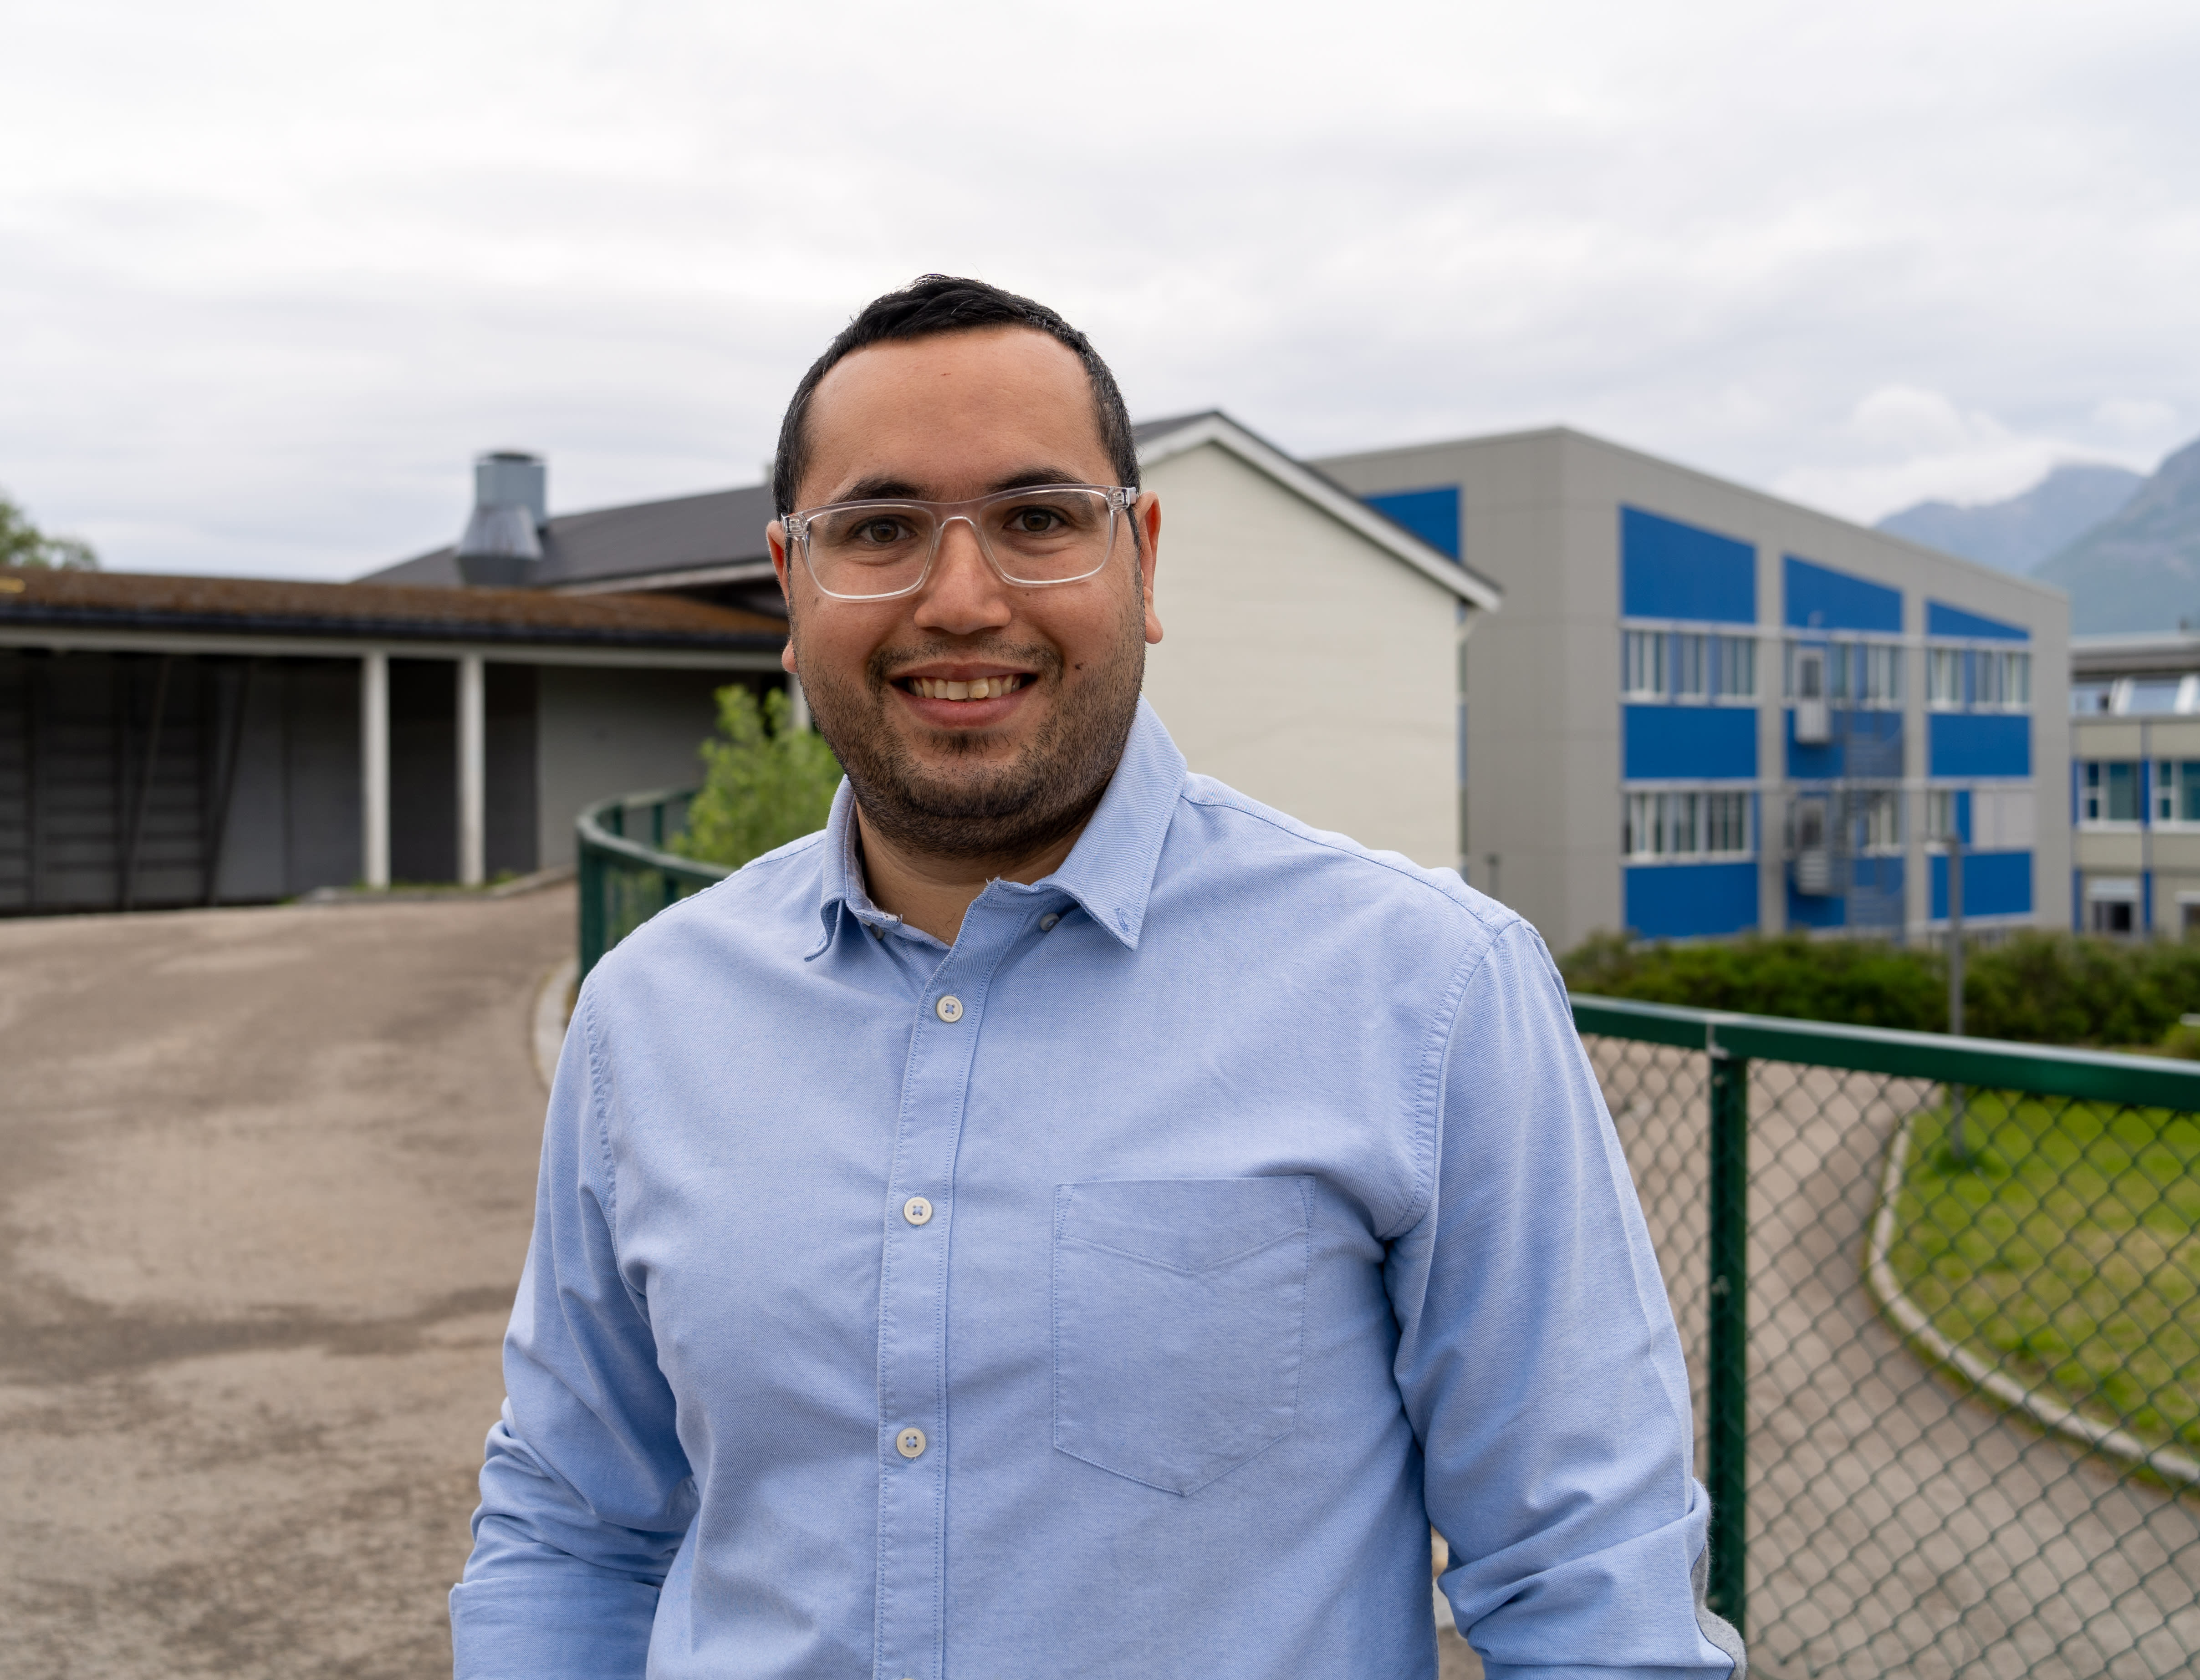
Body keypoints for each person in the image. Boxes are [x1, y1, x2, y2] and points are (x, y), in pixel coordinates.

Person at [450, 275, 1745, 1679]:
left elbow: (1591, 1588)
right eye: (879, 530)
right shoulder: (651, 1011)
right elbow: (572, 1522)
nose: (962, 599)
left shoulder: (1429, 991)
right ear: (791, 584)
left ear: (1143, 559)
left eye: (1037, 519)